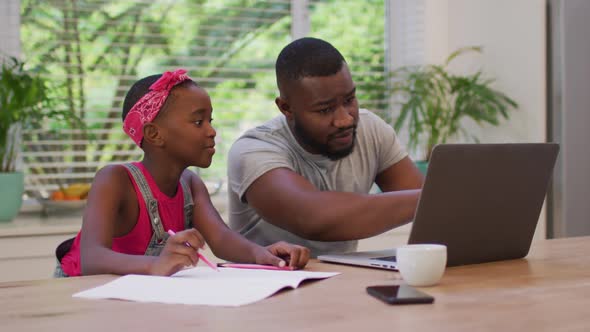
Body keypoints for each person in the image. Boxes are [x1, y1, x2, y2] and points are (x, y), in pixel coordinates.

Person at [57, 69, 309, 277]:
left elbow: (220, 239)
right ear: (154, 134)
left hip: (137, 293)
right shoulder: (114, 180)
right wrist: (155, 265)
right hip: (80, 290)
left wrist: (262, 254)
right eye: (199, 122)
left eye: (211, 120)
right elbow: (91, 259)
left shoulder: (190, 184)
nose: (212, 131)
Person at [227, 37, 424, 257]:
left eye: (349, 100)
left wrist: (440, 200)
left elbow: (431, 208)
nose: (345, 120)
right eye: (324, 110)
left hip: (342, 278)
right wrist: (431, 197)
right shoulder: (253, 150)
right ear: (286, 108)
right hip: (268, 284)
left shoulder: (371, 130)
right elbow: (312, 218)